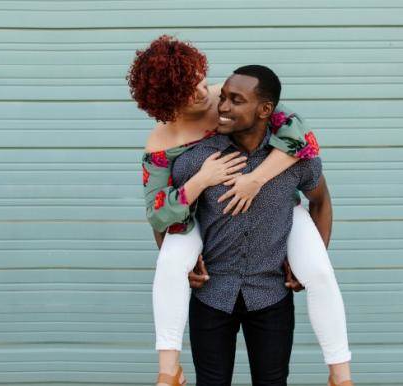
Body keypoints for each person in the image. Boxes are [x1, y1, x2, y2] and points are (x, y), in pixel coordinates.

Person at [130, 36, 351, 386]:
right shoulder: (162, 142)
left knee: (320, 271)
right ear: (168, 103)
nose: (203, 94)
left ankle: (341, 376)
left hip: (275, 208)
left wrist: (256, 179)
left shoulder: (231, 94)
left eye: (199, 78)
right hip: (196, 215)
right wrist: (200, 181)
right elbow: (158, 214)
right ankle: (168, 372)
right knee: (171, 263)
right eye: (186, 93)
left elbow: (300, 138)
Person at [173, 64, 339, 386]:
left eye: (236, 100)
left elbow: (321, 202)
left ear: (265, 110)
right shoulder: (199, 159)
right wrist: (181, 261)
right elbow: (165, 211)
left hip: (271, 296)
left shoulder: (296, 161)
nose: (222, 107)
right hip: (211, 295)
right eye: (222, 98)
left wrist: (310, 261)